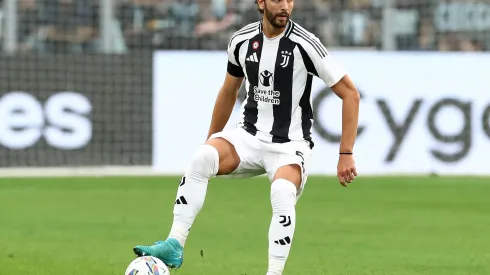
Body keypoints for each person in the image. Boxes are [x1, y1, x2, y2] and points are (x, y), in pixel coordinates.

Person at [133, 0, 360, 274]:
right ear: (261, 3)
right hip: (248, 137)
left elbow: (350, 93)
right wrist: (212, 139)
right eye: (277, 0)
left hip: (290, 146)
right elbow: (229, 91)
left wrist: (346, 153)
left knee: (282, 192)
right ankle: (175, 244)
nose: (285, 6)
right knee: (202, 158)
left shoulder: (305, 44)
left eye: (289, 0)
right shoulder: (242, 41)